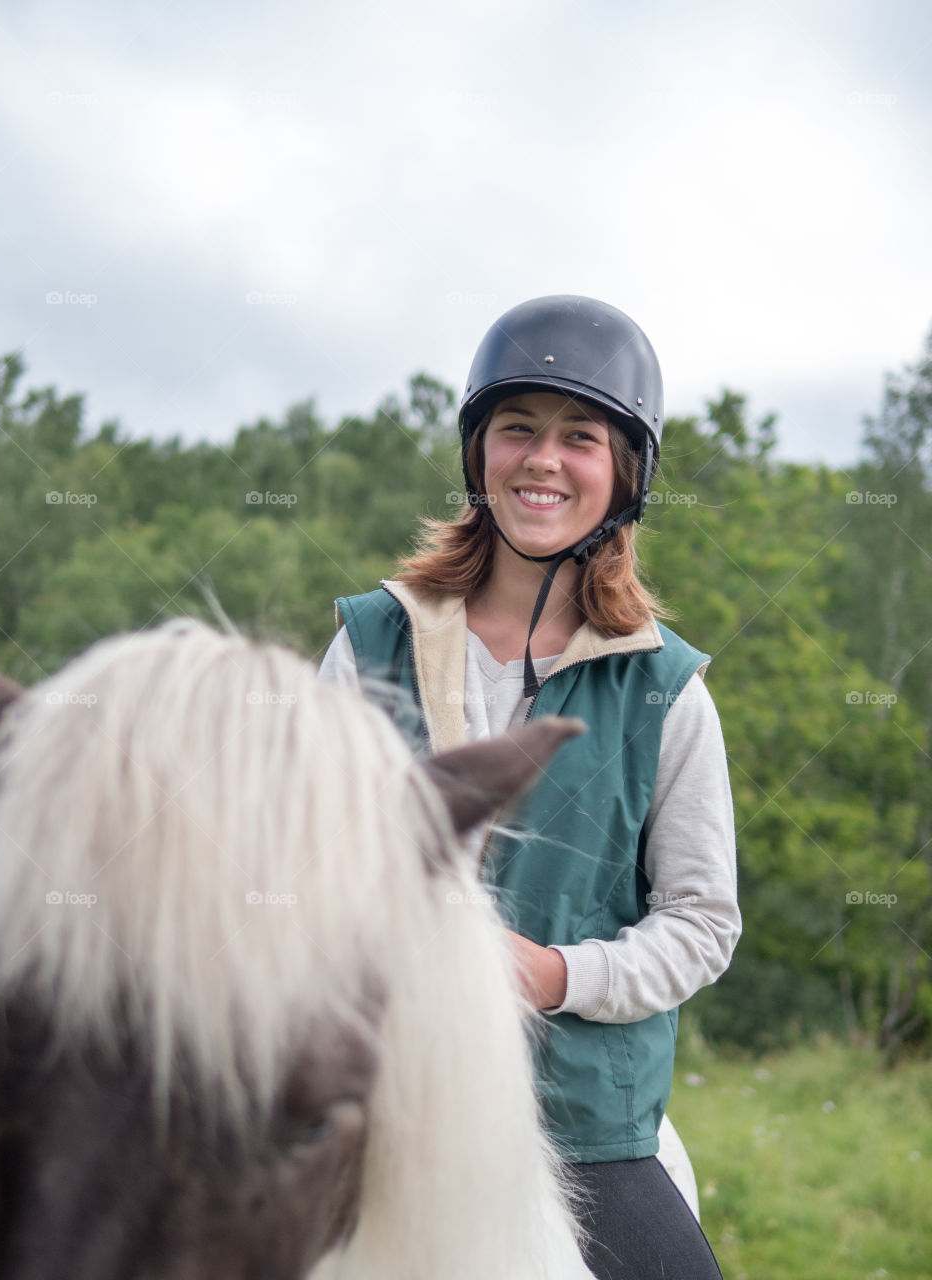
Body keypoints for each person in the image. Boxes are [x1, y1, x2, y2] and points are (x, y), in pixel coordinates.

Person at [317, 295, 740, 1279]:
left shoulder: (668, 690)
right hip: (368, 1102)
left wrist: (556, 975)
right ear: (480, 454)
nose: (543, 460)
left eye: (579, 437)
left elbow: (703, 919)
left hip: (583, 1130)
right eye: (518, 429)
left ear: (623, 472)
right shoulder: (367, 642)